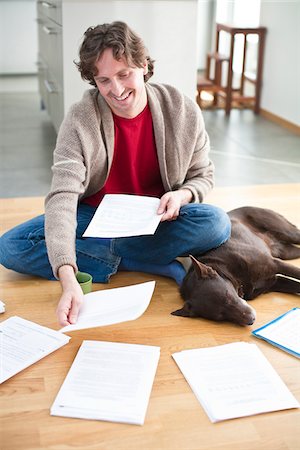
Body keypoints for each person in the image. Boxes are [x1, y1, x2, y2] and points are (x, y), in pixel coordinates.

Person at [0, 21, 231, 326]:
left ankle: (115, 257)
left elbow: (203, 175)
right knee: (11, 247)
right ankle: (148, 261)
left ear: (144, 67)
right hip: (95, 218)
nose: (117, 90)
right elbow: (62, 196)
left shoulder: (181, 108)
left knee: (215, 223)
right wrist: (68, 278)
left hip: (157, 219)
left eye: (124, 75)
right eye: (104, 80)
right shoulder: (80, 119)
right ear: (93, 81)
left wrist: (182, 194)